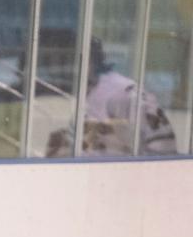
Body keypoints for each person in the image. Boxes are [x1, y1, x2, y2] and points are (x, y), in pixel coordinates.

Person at [47, 37, 176, 157]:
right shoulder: (86, 93)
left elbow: (164, 148)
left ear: (91, 61)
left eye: (68, 60)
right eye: (55, 62)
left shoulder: (123, 93)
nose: (60, 68)